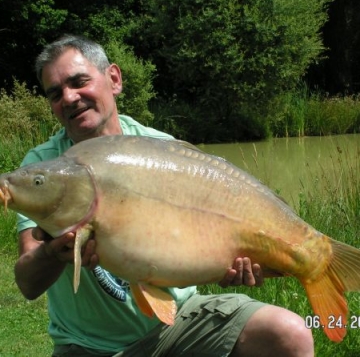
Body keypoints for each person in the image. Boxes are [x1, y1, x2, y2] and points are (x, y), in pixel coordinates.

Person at [14, 35, 314, 357]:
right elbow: (28, 284)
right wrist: (51, 254)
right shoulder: (41, 169)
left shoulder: (164, 149)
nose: (69, 98)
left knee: (289, 334)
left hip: (180, 323)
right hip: (89, 345)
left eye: (78, 82)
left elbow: (204, 243)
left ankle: (315, 258)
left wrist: (229, 265)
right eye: (55, 93)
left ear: (113, 79)